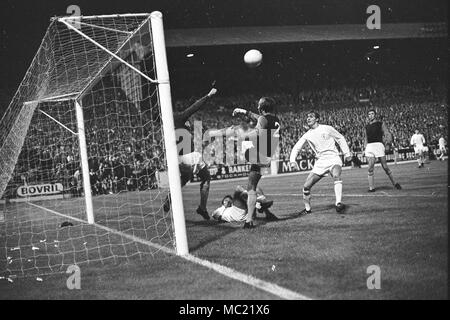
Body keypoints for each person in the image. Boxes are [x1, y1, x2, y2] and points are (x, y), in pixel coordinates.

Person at [163, 87, 217, 220]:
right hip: (188, 156)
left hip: (175, 158)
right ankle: (202, 208)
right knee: (206, 178)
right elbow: (194, 107)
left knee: (185, 178)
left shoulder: (166, 121)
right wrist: (208, 95)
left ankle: (169, 198)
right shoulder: (178, 117)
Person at [289, 110, 352, 214]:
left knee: (336, 175)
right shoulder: (307, 135)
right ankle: (308, 209)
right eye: (307, 117)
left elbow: (340, 138)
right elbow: (296, 148)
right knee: (306, 187)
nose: (308, 118)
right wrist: (292, 161)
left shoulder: (327, 128)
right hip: (321, 162)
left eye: (311, 116)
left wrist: (347, 154)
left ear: (317, 119)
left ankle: (338, 203)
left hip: (333, 158)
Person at [232, 97, 281, 229]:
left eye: (259, 104)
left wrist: (242, 135)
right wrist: (242, 111)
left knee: (251, 188)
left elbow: (257, 132)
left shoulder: (262, 119)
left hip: (260, 155)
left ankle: (249, 220)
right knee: (253, 186)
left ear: (262, 107)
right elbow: (257, 117)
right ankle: (265, 210)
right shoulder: (275, 119)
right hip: (268, 155)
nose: (257, 106)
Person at [364, 109, 402, 192]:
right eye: (369, 114)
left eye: (372, 114)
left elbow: (387, 133)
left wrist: (388, 144)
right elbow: (366, 138)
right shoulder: (366, 126)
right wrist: (365, 147)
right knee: (370, 167)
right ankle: (371, 188)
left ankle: (395, 183)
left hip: (379, 145)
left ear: (375, 115)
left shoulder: (381, 124)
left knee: (385, 167)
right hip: (370, 146)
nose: (371, 115)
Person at [211, 185, 278, 223]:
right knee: (238, 188)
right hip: (236, 214)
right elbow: (214, 215)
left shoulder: (232, 206)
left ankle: (264, 208)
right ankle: (261, 202)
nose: (227, 201)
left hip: (249, 215)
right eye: (225, 200)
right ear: (222, 202)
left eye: (229, 200)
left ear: (232, 202)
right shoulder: (220, 209)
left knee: (256, 188)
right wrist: (221, 218)